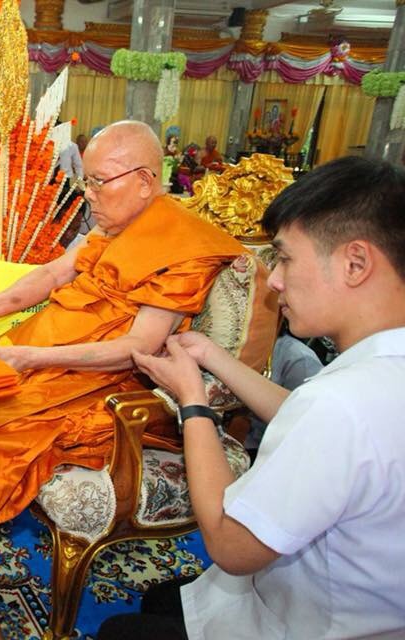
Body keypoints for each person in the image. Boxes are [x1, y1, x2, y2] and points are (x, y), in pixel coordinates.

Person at [0, 120, 247, 636]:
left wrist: (31, 359)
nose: (87, 194)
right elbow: (53, 274)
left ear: (144, 180)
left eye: (99, 182)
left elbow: (136, 349)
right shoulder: (111, 224)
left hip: (97, 384)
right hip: (37, 353)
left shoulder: (184, 246)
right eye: (86, 181)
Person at [99, 155, 405, 639]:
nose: (275, 280)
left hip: (312, 622)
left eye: (284, 257)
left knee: (120, 629)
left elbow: (229, 545)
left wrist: (192, 402)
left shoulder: (340, 405)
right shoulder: (375, 378)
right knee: (162, 598)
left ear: (355, 263)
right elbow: (307, 421)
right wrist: (214, 357)